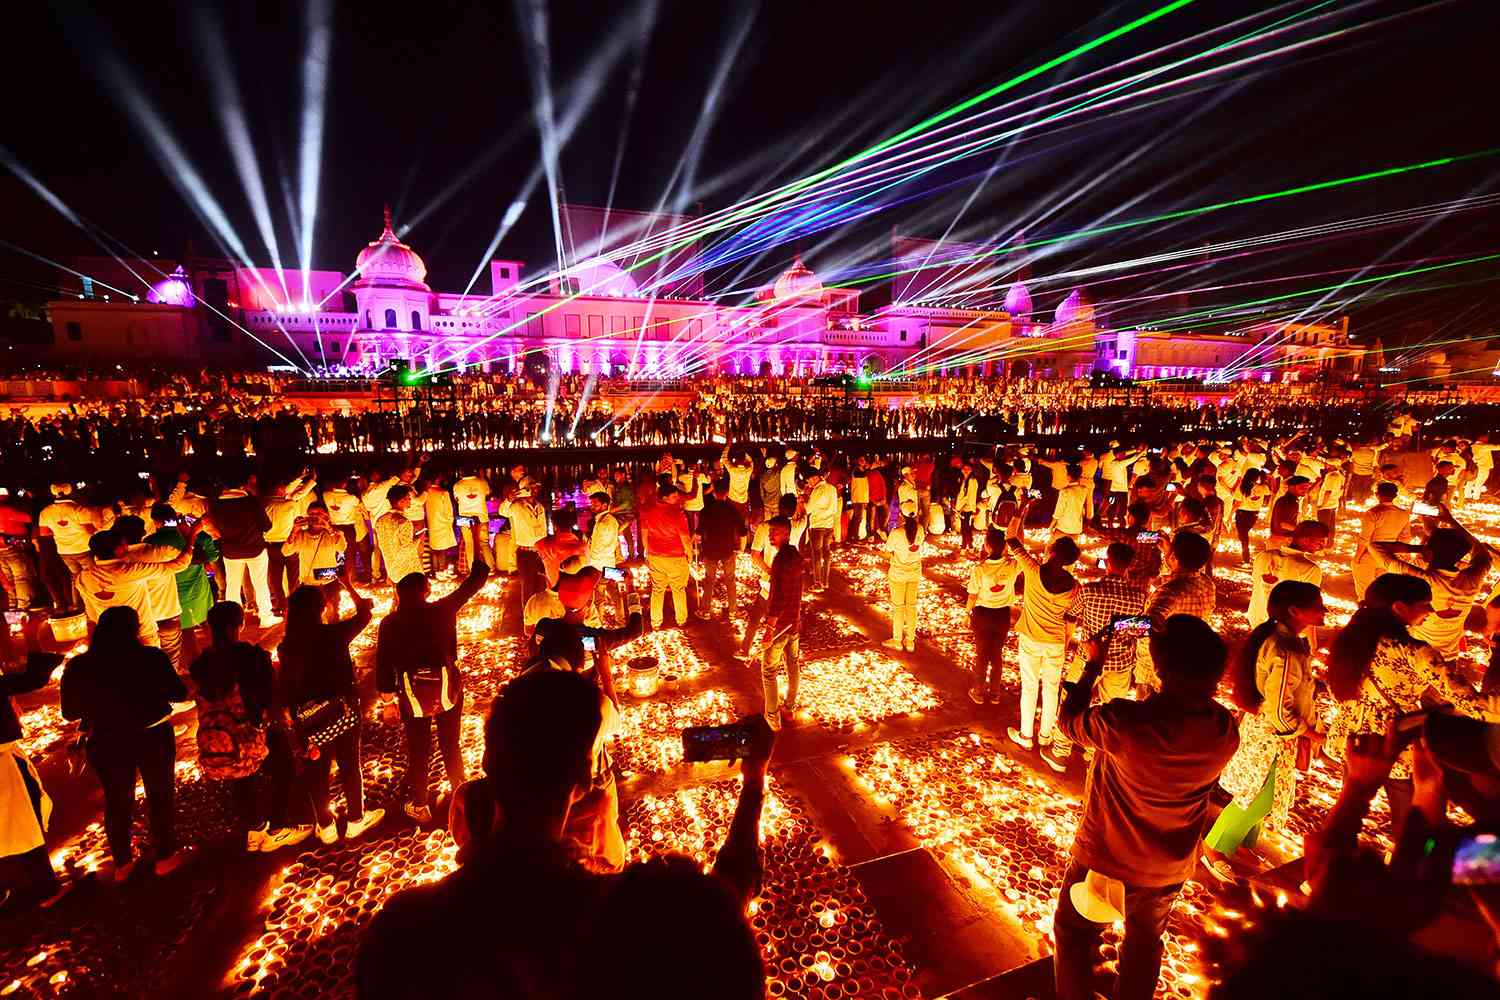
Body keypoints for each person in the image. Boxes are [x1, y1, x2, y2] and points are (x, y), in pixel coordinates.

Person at [356, 669, 771, 1000]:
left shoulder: (400, 934)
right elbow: (723, 902)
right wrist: (754, 780)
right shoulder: (625, 915)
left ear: (487, 760)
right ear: (586, 777)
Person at [1052, 615, 1237, 1000]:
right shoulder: (1224, 729)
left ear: (1160, 669)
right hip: (1167, 867)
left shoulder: (1127, 722)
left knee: (1073, 933)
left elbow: (1068, 722)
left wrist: (1092, 667)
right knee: (1145, 945)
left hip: (1106, 858)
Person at [1324, 572, 1491, 839]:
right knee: (1410, 822)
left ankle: (1335, 858)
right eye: (1425, 604)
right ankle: (1408, 860)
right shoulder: (1414, 651)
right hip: (1397, 742)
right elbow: (1471, 702)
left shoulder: (1349, 640)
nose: (1431, 611)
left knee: (1349, 808)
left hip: (1356, 742)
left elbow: (1337, 691)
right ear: (1400, 607)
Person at [1201, 580, 1325, 882]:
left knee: (1263, 791)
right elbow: (1278, 709)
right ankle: (1215, 847)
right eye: (1317, 606)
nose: (1324, 611)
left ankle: (1242, 841)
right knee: (1259, 796)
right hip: (1273, 736)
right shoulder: (1284, 651)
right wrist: (1312, 734)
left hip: (1269, 732)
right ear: (1294, 611)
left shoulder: (1282, 641)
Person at [60, 606, 189, 881]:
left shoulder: (79, 666)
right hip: (152, 735)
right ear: (135, 629)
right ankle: (165, 857)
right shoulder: (151, 657)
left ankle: (123, 864)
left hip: (106, 740)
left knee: (117, 800)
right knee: (160, 795)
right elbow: (178, 693)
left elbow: (69, 712)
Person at [376, 559, 491, 823]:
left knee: (419, 748)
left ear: (398, 595)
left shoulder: (390, 623)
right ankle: (460, 795)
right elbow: (475, 582)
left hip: (412, 695)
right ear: (426, 591)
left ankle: (419, 805)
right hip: (447, 690)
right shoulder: (442, 609)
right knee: (451, 744)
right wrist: (476, 543)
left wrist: (388, 700)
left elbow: (383, 663)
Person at [189, 601, 309, 853]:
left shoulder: (202, 663)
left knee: (241, 777)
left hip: (222, 735)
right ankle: (276, 829)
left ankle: (255, 831)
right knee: (284, 768)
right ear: (239, 625)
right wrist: (281, 718)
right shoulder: (251, 656)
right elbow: (269, 693)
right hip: (254, 729)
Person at [278, 579, 382, 844]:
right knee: (350, 764)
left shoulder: (286, 647)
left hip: (310, 719)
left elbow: (286, 688)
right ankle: (356, 819)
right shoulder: (334, 635)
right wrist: (348, 584)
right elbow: (365, 614)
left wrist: (296, 725)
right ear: (321, 608)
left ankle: (326, 826)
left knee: (316, 769)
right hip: (343, 712)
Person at [1049, 543, 1148, 772]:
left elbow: (1071, 617)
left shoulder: (1089, 590)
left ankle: (1060, 751)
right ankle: (1095, 756)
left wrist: (1066, 643)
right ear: (1129, 566)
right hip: (1120, 663)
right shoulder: (1138, 598)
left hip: (1088, 659)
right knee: (1110, 712)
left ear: (1108, 562)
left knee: (1071, 700)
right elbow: (1138, 630)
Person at [0, 616, 67, 908]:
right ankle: (47, 890)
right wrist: (32, 638)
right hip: (3, 764)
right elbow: (33, 679)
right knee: (26, 820)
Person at [1369, 505, 1493, 662]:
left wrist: (1418, 548)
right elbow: (1482, 553)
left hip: (1417, 657)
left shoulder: (1422, 579)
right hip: (1449, 657)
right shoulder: (1472, 580)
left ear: (1429, 552)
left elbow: (1375, 546)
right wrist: (1452, 522)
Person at [1005, 504, 1080, 753]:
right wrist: (1065, 642)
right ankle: (1046, 736)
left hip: (1031, 638)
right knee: (1051, 690)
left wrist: (1020, 510)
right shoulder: (1074, 586)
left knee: (1029, 687)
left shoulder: (1033, 569)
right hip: (1056, 642)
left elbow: (1011, 538)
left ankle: (1026, 735)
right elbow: (1071, 620)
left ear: (1053, 552)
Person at [77, 525, 198, 647]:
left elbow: (91, 613)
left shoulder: (82, 577)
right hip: (142, 636)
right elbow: (180, 564)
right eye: (124, 544)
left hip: (110, 637)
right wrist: (191, 537)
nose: (127, 547)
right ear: (117, 550)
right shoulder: (129, 571)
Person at [209, 470, 277, 621]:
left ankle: (234, 619)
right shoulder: (252, 502)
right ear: (243, 484)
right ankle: (266, 616)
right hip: (254, 548)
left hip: (230, 550)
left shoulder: (216, 504)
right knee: (260, 583)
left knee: (232, 584)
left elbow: (215, 528)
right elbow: (267, 526)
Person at [759, 516, 804, 731]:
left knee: (769, 670)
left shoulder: (780, 562)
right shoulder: (795, 555)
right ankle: (789, 708)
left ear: (786, 533)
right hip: (794, 621)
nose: (770, 536)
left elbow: (777, 598)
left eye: (774, 532)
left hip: (780, 626)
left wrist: (769, 629)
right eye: (770, 532)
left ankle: (772, 716)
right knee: (792, 663)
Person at [37, 481, 106, 611]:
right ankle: (95, 605)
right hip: (84, 548)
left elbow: (44, 533)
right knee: (92, 577)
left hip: (64, 551)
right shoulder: (79, 510)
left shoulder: (45, 512)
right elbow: (90, 530)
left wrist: (60, 532)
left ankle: (78, 607)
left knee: (76, 578)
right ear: (71, 492)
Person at [1247, 520, 1327, 629]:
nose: (1322, 547)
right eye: (1321, 541)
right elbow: (1308, 609)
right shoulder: (1310, 569)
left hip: (1256, 619)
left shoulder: (1262, 556)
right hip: (1285, 627)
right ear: (1305, 540)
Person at [640, 479, 694, 628]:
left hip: (655, 556)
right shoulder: (677, 514)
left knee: (657, 589)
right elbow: (685, 539)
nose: (677, 499)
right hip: (675, 557)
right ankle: (681, 620)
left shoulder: (648, 511)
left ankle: (655, 622)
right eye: (674, 497)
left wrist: (647, 553)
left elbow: (644, 535)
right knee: (678, 589)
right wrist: (689, 554)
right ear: (664, 498)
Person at [263, 469, 317, 616]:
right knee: (293, 576)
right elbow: (299, 522)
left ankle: (281, 605)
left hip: (270, 544)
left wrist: (302, 477)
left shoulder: (263, 503)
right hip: (289, 542)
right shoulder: (291, 505)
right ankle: (294, 605)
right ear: (280, 489)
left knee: (275, 578)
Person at [1352, 482, 1411, 601]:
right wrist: (1402, 555)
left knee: (1364, 591)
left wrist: (1357, 558)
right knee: (1382, 591)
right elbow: (1405, 537)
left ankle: (1365, 608)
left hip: (1369, 555)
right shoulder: (1404, 514)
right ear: (1395, 495)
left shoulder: (1373, 512)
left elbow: (1365, 538)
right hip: (1388, 556)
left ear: (1377, 494)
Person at [697, 479, 746, 621]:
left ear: (714, 492)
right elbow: (743, 533)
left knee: (709, 580)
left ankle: (705, 610)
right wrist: (741, 549)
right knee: (730, 580)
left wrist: (698, 547)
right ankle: (733, 611)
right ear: (728, 492)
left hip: (710, 549)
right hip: (727, 550)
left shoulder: (707, 509)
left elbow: (699, 532)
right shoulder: (732, 510)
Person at [496, 477, 548, 607]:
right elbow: (502, 511)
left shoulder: (540, 506)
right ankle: (528, 614)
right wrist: (508, 500)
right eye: (531, 487)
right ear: (524, 489)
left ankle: (540, 612)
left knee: (541, 585)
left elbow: (544, 528)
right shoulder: (516, 506)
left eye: (536, 487)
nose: (535, 490)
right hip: (525, 553)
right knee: (528, 587)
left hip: (541, 552)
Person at [883, 502, 925, 652]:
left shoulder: (897, 532)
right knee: (911, 607)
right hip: (914, 573)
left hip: (898, 574)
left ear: (901, 515)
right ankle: (910, 641)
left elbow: (887, 551)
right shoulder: (920, 529)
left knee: (898, 608)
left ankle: (897, 640)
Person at [375, 485, 425, 586]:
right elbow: (407, 548)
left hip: (391, 569)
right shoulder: (404, 522)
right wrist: (418, 538)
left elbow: (382, 545)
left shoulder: (380, 520)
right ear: (401, 501)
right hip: (407, 570)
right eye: (408, 498)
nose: (410, 500)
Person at [803, 467, 839, 590]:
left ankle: (818, 582)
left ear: (814, 478)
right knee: (827, 552)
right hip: (829, 525)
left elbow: (808, 509)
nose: (809, 483)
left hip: (817, 526)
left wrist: (803, 501)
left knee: (817, 554)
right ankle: (825, 580)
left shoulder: (817, 491)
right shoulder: (832, 488)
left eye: (809, 481)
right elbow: (834, 508)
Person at [1227, 467, 1271, 565]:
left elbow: (1237, 503)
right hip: (1254, 514)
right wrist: (1265, 480)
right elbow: (1269, 492)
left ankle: (1246, 559)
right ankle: (1246, 558)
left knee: (1243, 537)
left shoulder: (1242, 487)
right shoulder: (1263, 487)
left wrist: (1230, 516)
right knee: (1244, 536)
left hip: (1242, 514)